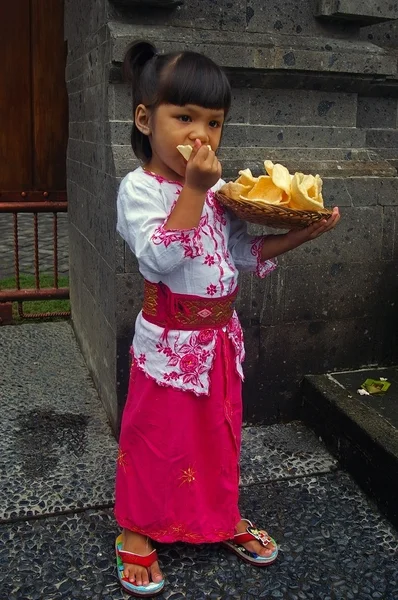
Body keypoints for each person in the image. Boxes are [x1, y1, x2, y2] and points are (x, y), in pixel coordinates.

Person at [114, 40, 340, 597]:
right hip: (169, 341)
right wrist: (192, 190)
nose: (201, 136)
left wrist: (295, 234)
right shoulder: (139, 189)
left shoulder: (218, 190)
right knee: (157, 436)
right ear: (146, 119)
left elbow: (240, 253)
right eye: (184, 117)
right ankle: (138, 527)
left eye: (213, 123)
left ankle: (216, 517)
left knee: (217, 435)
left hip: (218, 339)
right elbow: (159, 256)